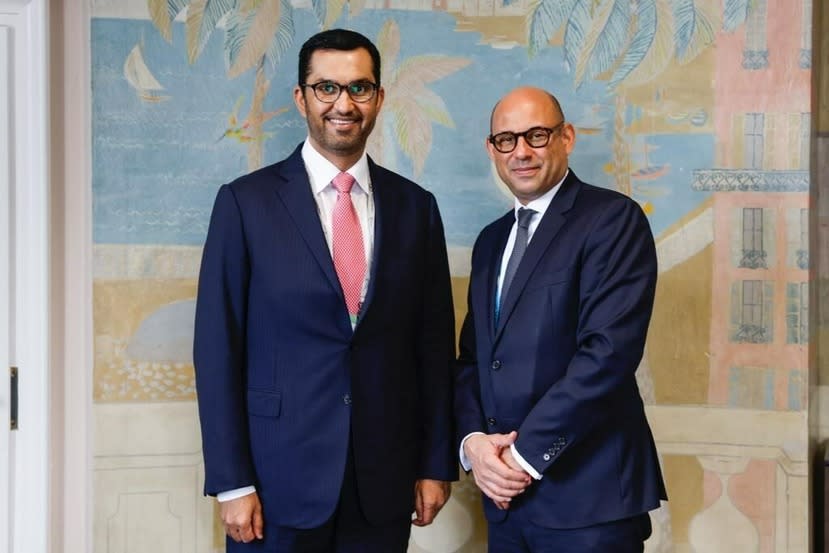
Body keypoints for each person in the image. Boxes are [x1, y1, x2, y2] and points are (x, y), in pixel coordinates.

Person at [193, 28, 457, 552]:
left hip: (382, 483)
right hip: (273, 484)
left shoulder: (416, 208)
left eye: (359, 88)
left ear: (379, 98)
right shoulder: (245, 204)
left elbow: (433, 349)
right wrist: (233, 480)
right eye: (326, 87)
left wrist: (434, 464)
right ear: (301, 97)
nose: (343, 103)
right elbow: (217, 349)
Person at [454, 86, 667, 552]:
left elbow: (607, 356)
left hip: (588, 501)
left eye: (536, 135)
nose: (522, 152)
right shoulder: (492, 242)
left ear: (566, 137)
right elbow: (473, 360)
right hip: (505, 503)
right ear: (492, 149)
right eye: (507, 140)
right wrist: (473, 443)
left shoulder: (612, 220)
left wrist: (521, 458)